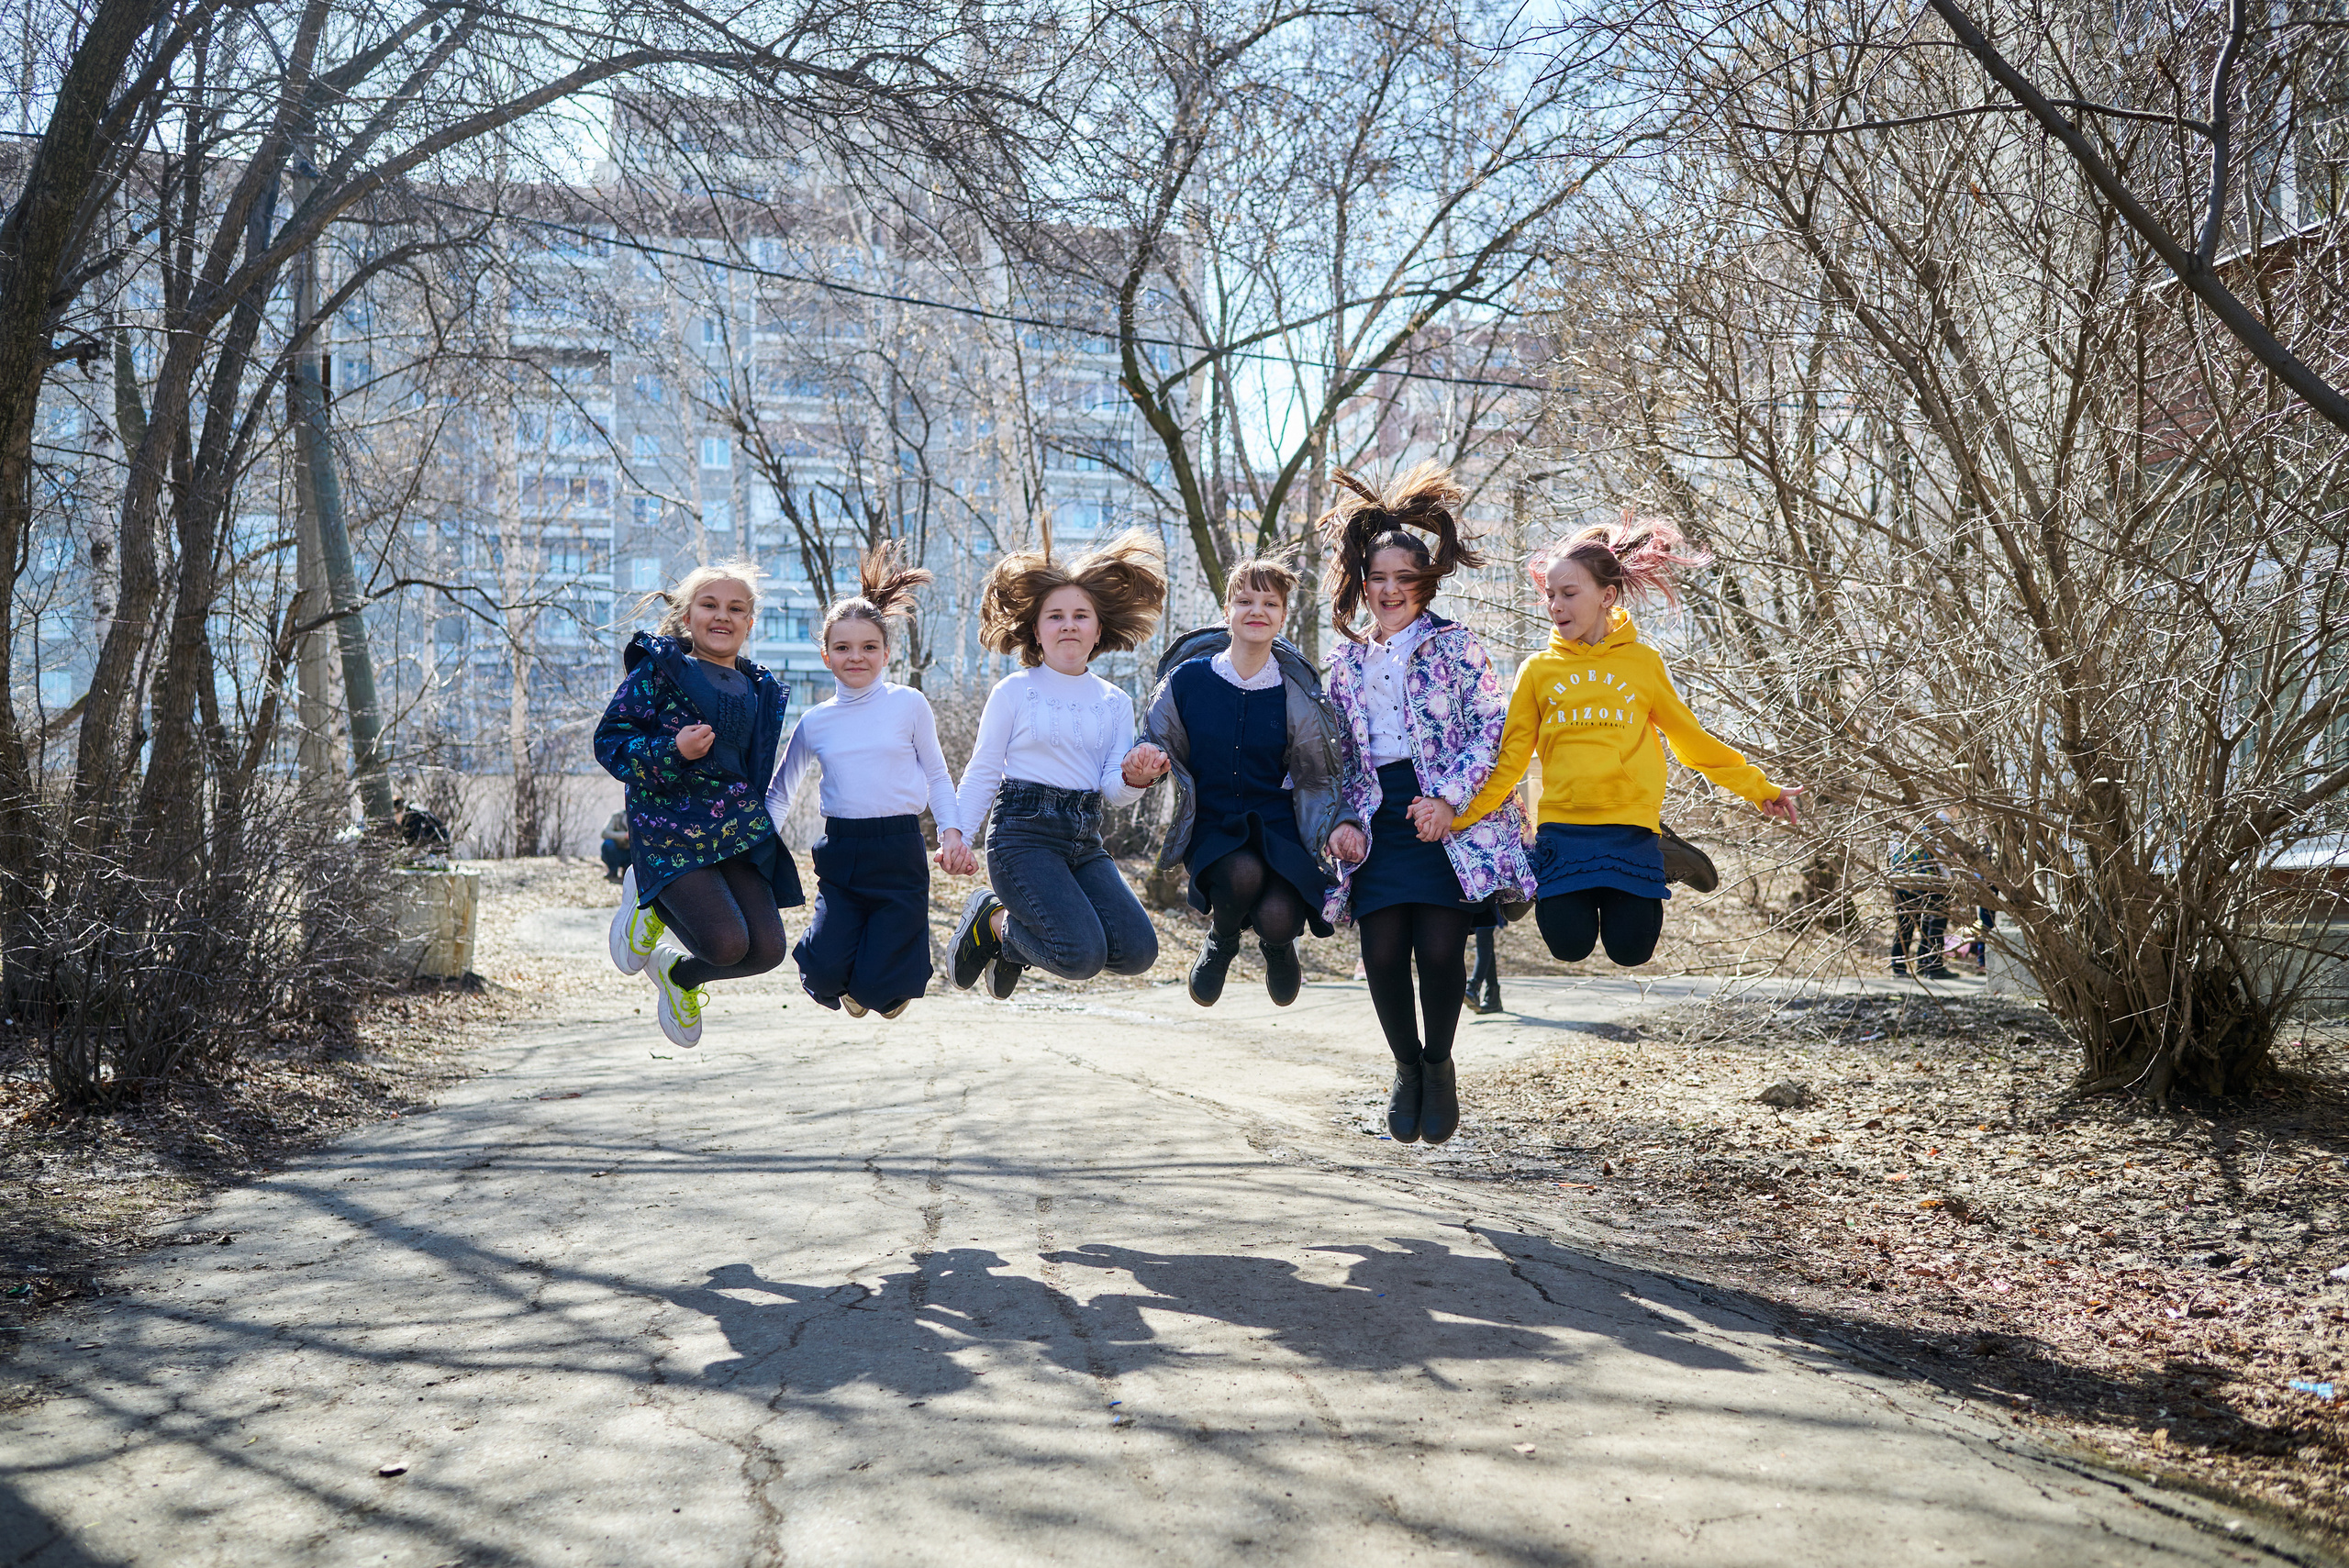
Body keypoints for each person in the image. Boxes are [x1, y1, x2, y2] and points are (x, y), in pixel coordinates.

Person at [1451, 516, 1802, 976]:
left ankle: (1662, 851)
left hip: (1630, 828)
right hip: (1563, 827)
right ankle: (1537, 871)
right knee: (1568, 946)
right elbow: (1511, 760)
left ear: (1607, 596)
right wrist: (1462, 817)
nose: (1555, 605)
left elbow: (1689, 740)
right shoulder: (1537, 670)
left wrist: (1760, 788)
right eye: (1550, 595)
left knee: (1631, 950)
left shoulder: (1642, 663)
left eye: (1569, 593)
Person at [1319, 463, 1535, 1148]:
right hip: (1375, 813)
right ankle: (1406, 1068)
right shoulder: (1345, 660)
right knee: (1383, 953)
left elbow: (1491, 730)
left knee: (1439, 951)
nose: (1389, 591)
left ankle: (1439, 1067)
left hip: (1443, 812)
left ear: (1425, 584)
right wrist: (1343, 819)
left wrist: (1449, 800)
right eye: (1378, 579)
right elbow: (1333, 754)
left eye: (1403, 580)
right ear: (1362, 584)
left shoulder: (1456, 644)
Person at [949, 531, 1170, 1000]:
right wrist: (956, 835)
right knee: (1079, 956)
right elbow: (984, 770)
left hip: (1084, 839)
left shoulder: (1114, 702)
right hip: (1021, 838)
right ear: (1036, 630)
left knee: (1137, 952)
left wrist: (1136, 776)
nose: (1068, 625)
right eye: (1056, 616)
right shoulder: (1014, 691)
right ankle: (994, 919)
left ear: (1097, 629)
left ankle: (1006, 942)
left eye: (1080, 616)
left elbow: (1112, 788)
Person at [594, 562, 802, 1048]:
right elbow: (610, 742)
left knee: (767, 950)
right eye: (709, 605)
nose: (722, 616)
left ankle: (677, 975)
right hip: (671, 824)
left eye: (736, 608)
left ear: (750, 623)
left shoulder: (760, 688)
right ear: (688, 616)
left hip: (734, 830)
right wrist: (673, 752)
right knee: (725, 943)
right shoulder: (663, 671)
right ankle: (651, 898)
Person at [1141, 556, 1364, 1007]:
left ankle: (1279, 948)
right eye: (1245, 600)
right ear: (1228, 611)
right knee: (1242, 872)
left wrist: (1340, 820)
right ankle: (1221, 939)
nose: (1256, 610)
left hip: (1276, 823)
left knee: (1280, 917)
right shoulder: (1187, 681)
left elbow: (1318, 773)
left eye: (1270, 602)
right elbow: (1153, 740)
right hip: (1214, 824)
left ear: (1284, 615)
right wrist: (1142, 763)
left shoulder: (1296, 692)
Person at [766, 545, 971, 1019]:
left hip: (899, 851)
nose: (855, 656)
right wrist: (753, 848)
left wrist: (951, 833)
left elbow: (938, 776)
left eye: (868, 647)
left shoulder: (909, 704)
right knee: (818, 974)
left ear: (886, 652)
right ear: (826, 655)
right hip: (841, 855)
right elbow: (780, 792)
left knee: (881, 991)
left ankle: (882, 986)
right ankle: (853, 974)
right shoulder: (815, 722)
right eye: (843, 648)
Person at [1891, 829, 1949, 977]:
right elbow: (1941, 861)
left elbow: (1892, 859)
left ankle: (1900, 966)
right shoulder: (1931, 831)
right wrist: (1950, 880)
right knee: (1931, 924)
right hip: (1927, 883)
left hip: (1901, 881)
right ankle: (1928, 965)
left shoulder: (1896, 833)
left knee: (1906, 925)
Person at [598, 809, 630, 882]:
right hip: (616, 852)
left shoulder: (642, 817)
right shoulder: (617, 816)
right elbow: (605, 833)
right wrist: (624, 836)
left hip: (631, 854)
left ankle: (627, 871)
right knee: (608, 844)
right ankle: (613, 871)